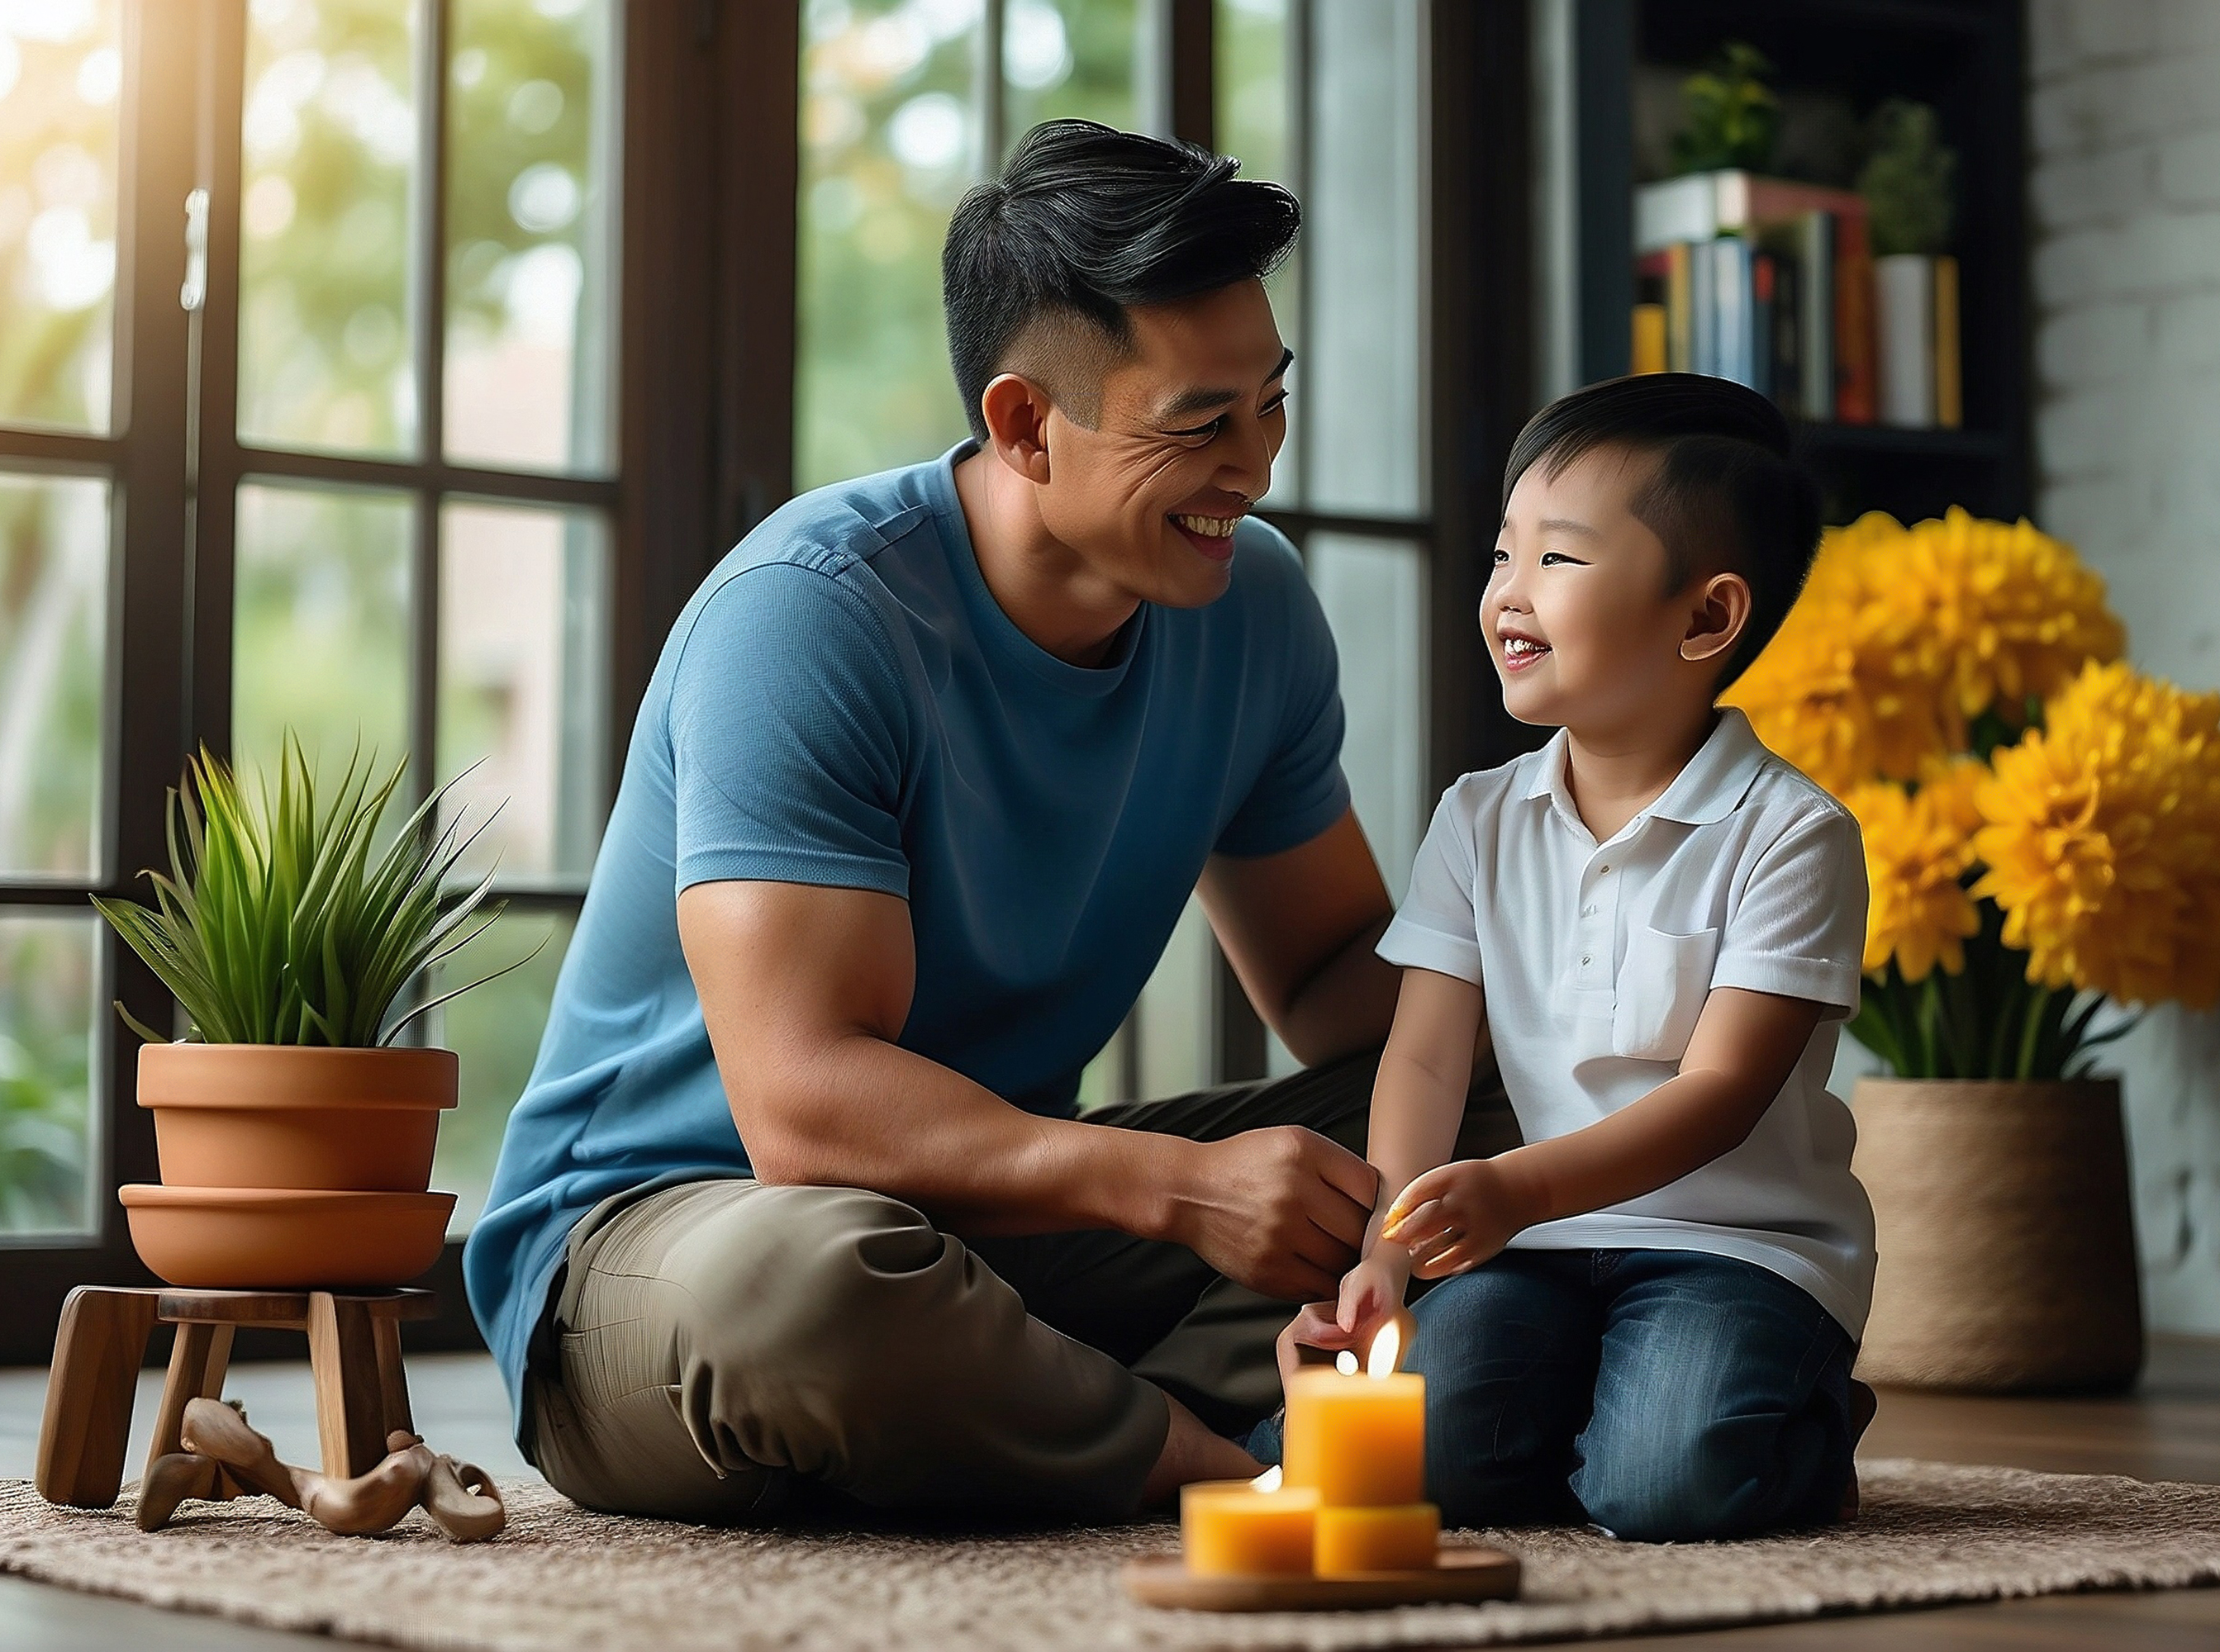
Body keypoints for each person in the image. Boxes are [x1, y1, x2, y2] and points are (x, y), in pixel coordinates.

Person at [462, 121, 1491, 1526]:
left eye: (1270, 403)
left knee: (1501, 1109)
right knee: (820, 1291)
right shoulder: (812, 616)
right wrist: (1182, 1191)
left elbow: (1330, 990)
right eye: (1198, 424)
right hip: (663, 1252)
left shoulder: (1254, 613)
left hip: (1000, 1235)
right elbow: (805, 1113)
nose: (1254, 466)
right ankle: (1232, 1460)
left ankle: (1053, 1422)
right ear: (1023, 426)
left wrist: (1551, 942)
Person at [1264, 373, 1878, 1542]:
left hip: (1734, 1252)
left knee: (1670, 1486)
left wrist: (1514, 1187)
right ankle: (1584, 1414)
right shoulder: (1478, 818)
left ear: (1706, 619)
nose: (1507, 591)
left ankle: (1806, 1418)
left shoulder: (1796, 834)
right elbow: (1426, 1064)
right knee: (1417, 1458)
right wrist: (1386, 1258)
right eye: (1504, 553)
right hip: (1539, 1246)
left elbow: (1719, 1097)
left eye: (1560, 560)